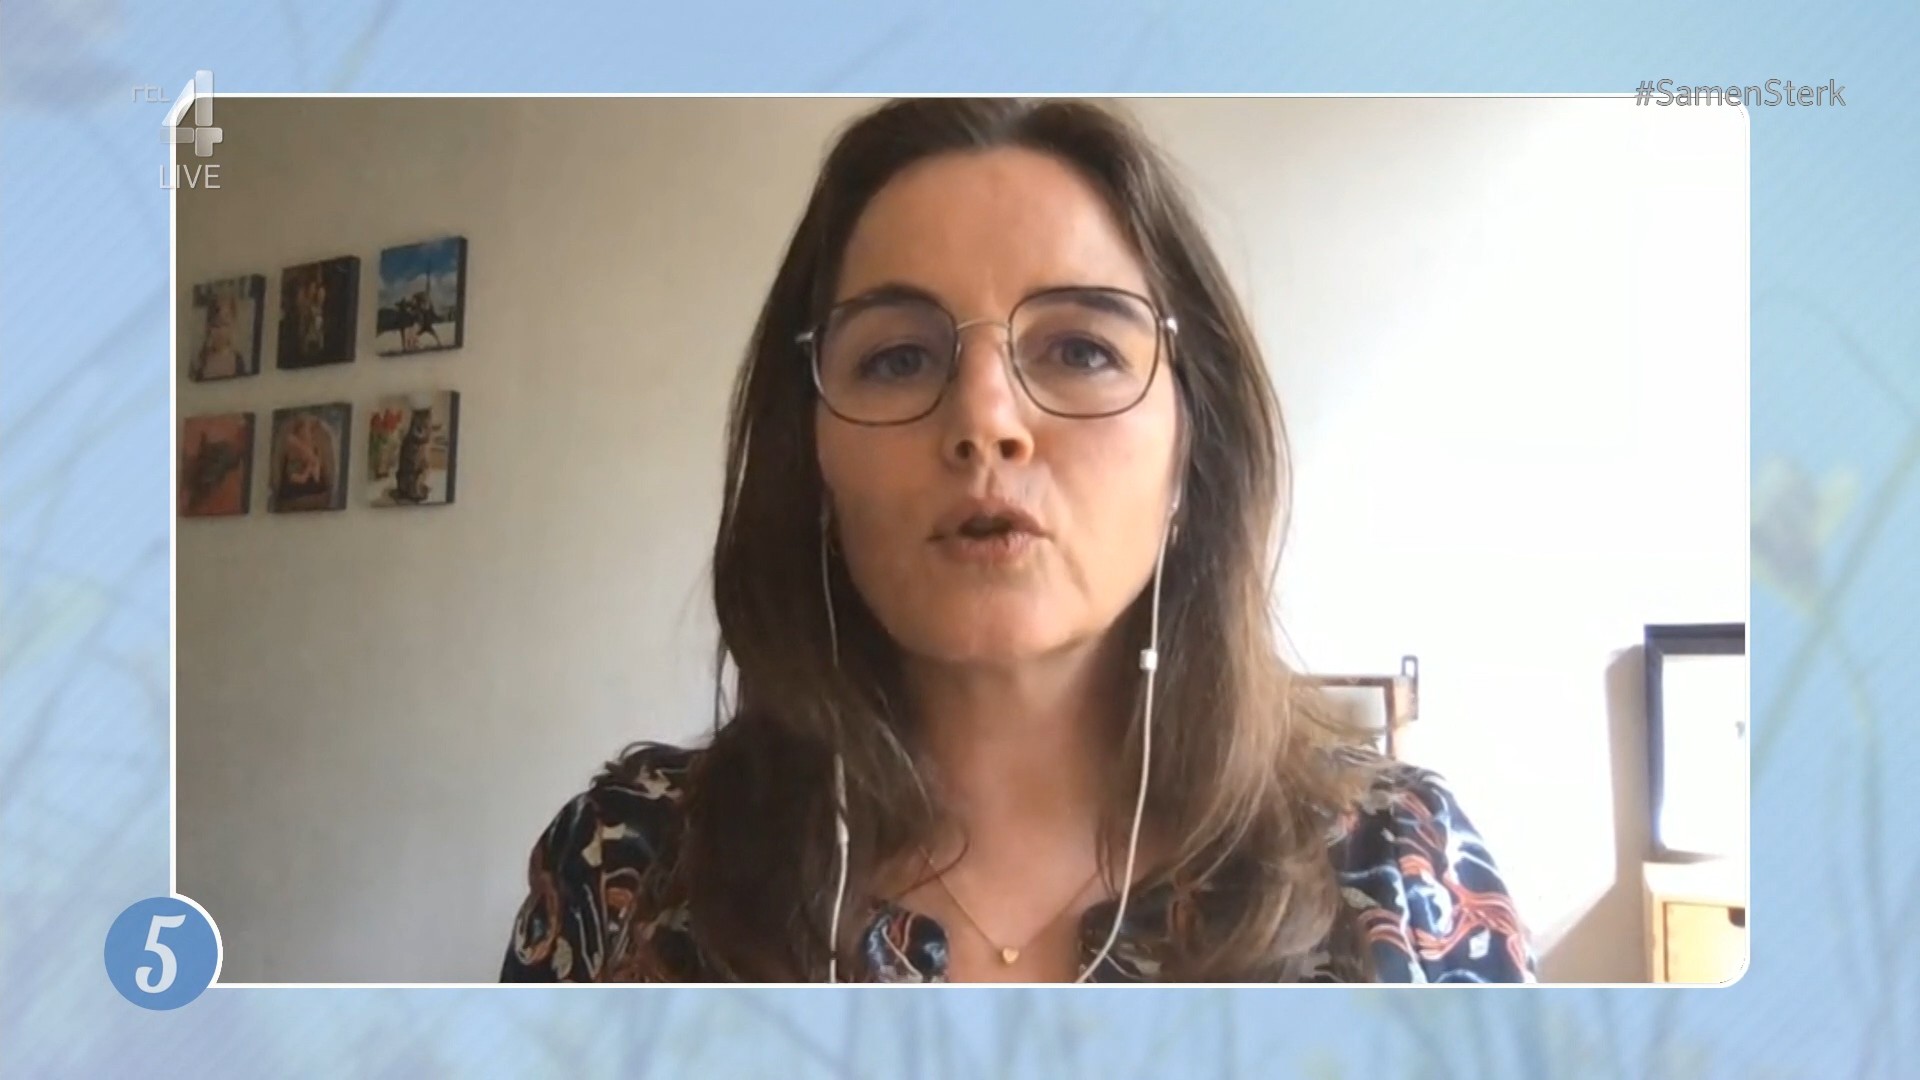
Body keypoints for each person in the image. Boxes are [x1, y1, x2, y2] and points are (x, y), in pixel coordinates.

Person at [499, 98, 1534, 984]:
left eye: (1080, 349)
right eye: (898, 359)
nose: (986, 419)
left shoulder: (1400, 872)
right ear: (811, 457)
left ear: (1192, 450)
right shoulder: (627, 868)